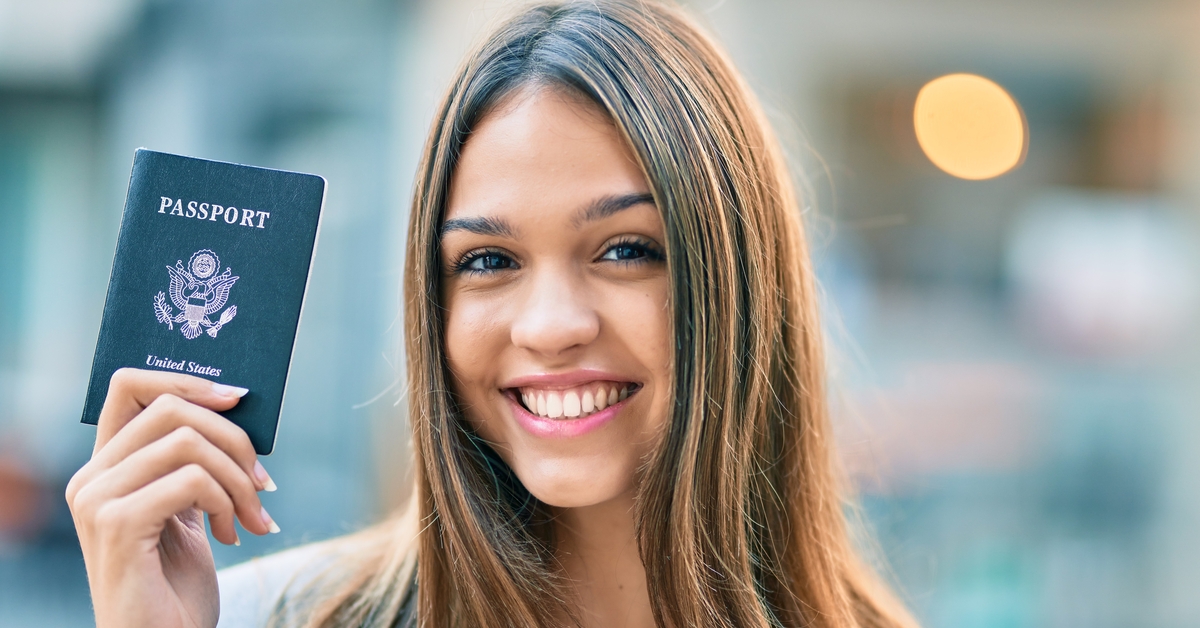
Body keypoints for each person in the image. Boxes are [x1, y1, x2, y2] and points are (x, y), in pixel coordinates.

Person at [66, 1, 920, 626]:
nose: (549, 325)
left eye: (626, 249)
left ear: (739, 277)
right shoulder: (257, 620)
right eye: (488, 261)